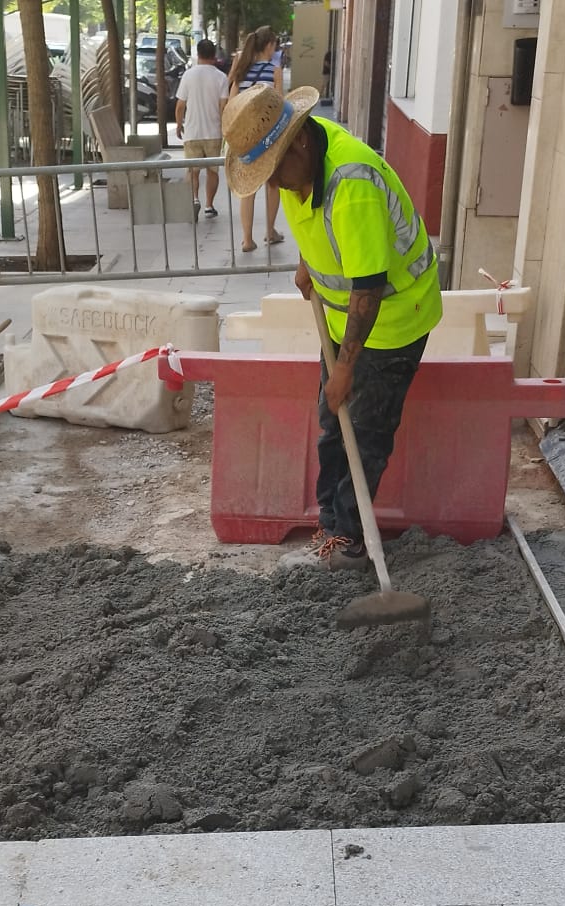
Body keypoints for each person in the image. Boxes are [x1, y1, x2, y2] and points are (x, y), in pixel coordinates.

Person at [223, 83, 442, 569]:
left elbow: (369, 284)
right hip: (349, 317)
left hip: (394, 316)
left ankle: (350, 542)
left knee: (363, 432)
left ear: (297, 142)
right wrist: (308, 261)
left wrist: (345, 369)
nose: (274, 185)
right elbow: (318, 222)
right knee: (332, 424)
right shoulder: (306, 162)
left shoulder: (352, 182)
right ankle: (332, 524)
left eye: (275, 171)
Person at [227, 27, 285, 253]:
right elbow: (280, 104)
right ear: (269, 45)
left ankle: (247, 239)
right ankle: (270, 231)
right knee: (273, 185)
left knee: (248, 187)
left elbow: (232, 105)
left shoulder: (242, 72)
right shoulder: (274, 71)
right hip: (269, 136)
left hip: (246, 137)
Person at [175, 38, 228, 218]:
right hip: (213, 132)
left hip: (192, 132)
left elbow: (180, 105)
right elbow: (223, 107)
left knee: (192, 171)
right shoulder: (221, 77)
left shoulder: (188, 75)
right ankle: (209, 206)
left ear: (197, 54)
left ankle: (193, 200)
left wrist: (178, 124)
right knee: (212, 171)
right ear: (214, 55)